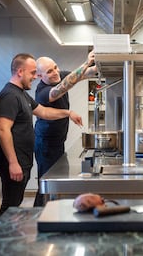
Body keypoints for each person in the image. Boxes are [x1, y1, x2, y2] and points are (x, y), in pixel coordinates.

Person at [0, 53, 82, 218]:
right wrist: (13, 163)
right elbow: (3, 130)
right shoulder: (10, 96)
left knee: (14, 204)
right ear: (20, 72)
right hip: (14, 161)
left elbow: (44, 112)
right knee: (9, 206)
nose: (35, 77)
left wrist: (68, 112)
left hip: (23, 159)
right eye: (33, 73)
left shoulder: (21, 94)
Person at [33, 51, 97, 206]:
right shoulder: (42, 92)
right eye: (49, 71)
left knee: (52, 182)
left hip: (57, 141)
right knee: (47, 184)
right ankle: (39, 215)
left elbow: (84, 74)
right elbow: (62, 87)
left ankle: (49, 212)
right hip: (45, 143)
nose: (55, 73)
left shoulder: (59, 75)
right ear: (39, 76)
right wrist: (86, 62)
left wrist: (101, 62)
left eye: (55, 67)